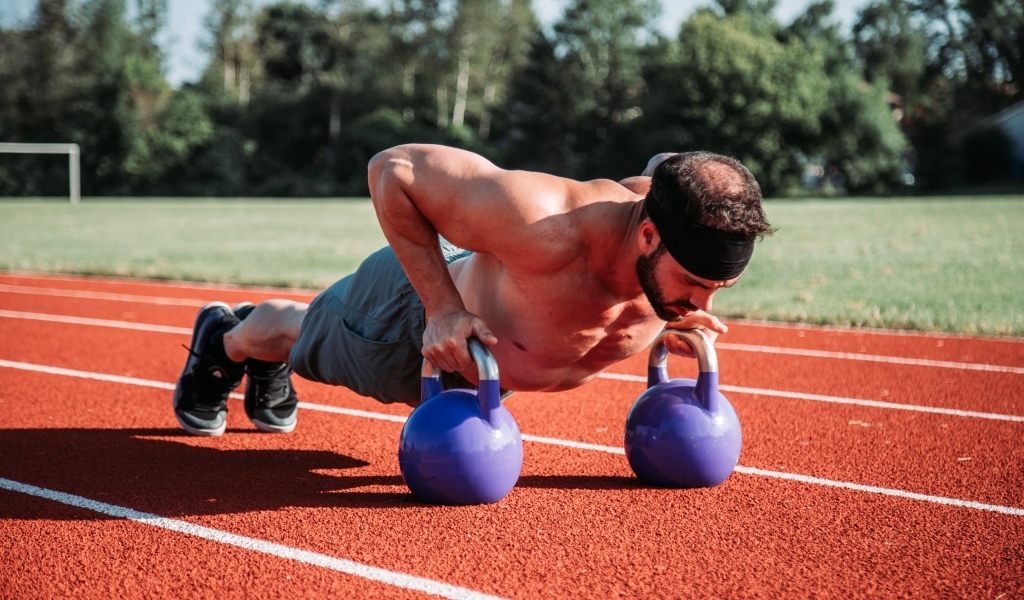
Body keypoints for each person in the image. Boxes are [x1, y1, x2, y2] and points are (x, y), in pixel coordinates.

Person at [172, 145, 774, 436]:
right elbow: (393, 171)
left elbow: (668, 160)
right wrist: (441, 309)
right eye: (694, 286)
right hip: (407, 323)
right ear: (646, 236)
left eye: (719, 289)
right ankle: (230, 339)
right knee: (299, 334)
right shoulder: (546, 222)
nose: (704, 307)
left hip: (489, 352)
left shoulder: (672, 220)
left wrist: (678, 303)